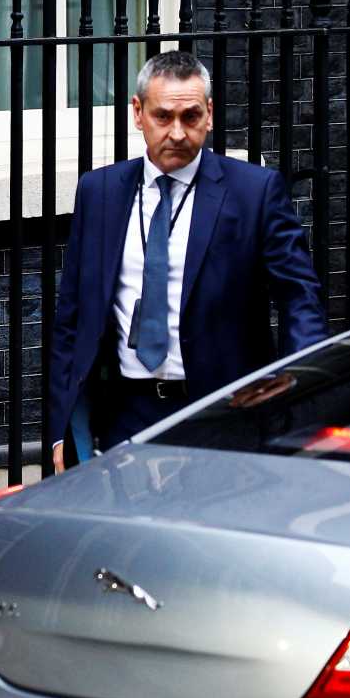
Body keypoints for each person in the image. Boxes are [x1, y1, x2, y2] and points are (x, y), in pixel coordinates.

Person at [48, 50, 327, 472]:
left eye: (191, 117)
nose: (177, 133)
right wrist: (61, 427)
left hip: (224, 414)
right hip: (126, 414)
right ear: (138, 113)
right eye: (163, 117)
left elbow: (299, 298)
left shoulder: (254, 192)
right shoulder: (99, 192)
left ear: (209, 114)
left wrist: (294, 393)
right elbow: (71, 316)